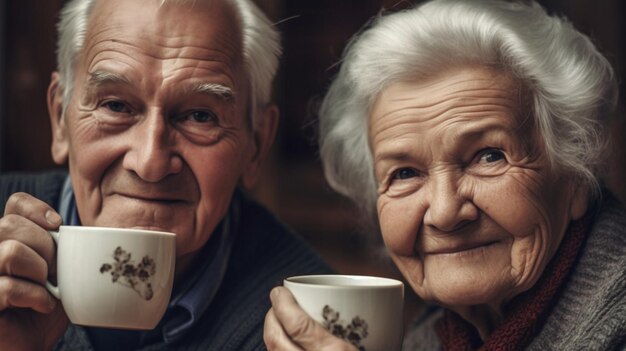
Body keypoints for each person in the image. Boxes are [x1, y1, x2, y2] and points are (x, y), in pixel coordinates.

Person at [264, 0, 625, 350]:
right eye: (404, 173)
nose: (445, 212)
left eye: (488, 157)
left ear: (577, 174)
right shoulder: (434, 337)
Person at [0, 0, 332, 350]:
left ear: (257, 144)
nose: (150, 163)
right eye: (115, 106)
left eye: (200, 116)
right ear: (60, 119)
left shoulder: (310, 324)